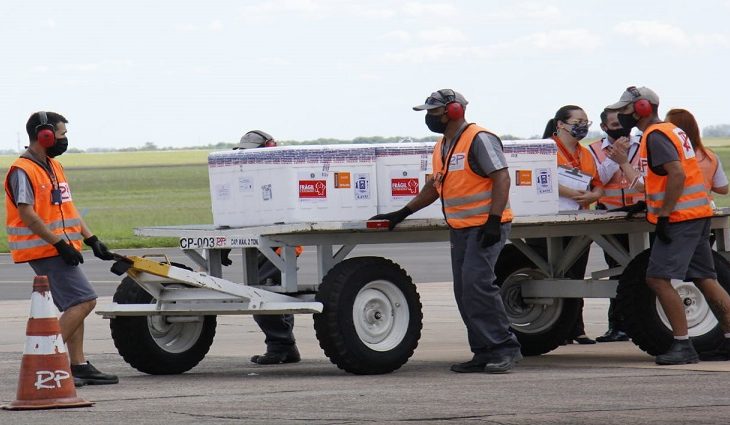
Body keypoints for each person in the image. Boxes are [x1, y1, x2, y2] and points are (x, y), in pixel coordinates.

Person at [372, 89, 522, 373]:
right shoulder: (443, 145)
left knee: (478, 286)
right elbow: (434, 187)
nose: (429, 117)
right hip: (461, 228)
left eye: (434, 112)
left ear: (453, 111)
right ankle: (483, 351)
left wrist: (493, 219)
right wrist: (402, 213)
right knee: (465, 290)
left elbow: (501, 176)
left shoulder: (479, 138)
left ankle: (503, 349)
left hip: (484, 226)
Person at [606, 86, 730, 364]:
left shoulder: (656, 135)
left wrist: (664, 213)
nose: (622, 115)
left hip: (679, 219)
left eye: (626, 109)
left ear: (641, 108)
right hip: (697, 214)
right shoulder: (673, 131)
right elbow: (666, 177)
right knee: (705, 277)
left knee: (657, 279)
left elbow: (676, 174)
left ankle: (682, 344)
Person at [4, 111, 119, 386]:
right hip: (45, 249)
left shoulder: (54, 167)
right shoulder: (23, 169)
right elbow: (27, 213)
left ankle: (77, 365)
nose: (64, 139)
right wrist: (58, 244)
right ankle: (41, 363)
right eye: (61, 134)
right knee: (84, 301)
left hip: (62, 248)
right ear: (44, 134)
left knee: (73, 304)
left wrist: (92, 239)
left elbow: (67, 207)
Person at [224, 130, 301, 365]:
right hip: (260, 243)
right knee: (270, 295)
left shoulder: (280, 176)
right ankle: (284, 347)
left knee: (265, 296)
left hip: (278, 244)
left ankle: (281, 347)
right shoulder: (253, 176)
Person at [540, 105, 603, 345]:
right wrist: (573, 193)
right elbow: (543, 178)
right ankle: (556, 329)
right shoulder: (545, 150)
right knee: (549, 275)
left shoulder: (585, 153)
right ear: (561, 124)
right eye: (578, 120)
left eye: (586, 121)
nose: (583, 126)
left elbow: (597, 184)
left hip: (579, 220)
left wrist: (593, 196)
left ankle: (577, 328)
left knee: (576, 274)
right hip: (549, 221)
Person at [587, 109, 644, 343]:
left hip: (640, 215)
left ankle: (641, 322)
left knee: (643, 271)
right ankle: (617, 325)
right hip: (610, 216)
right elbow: (595, 178)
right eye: (613, 123)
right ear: (604, 127)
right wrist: (615, 157)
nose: (620, 127)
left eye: (623, 122)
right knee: (616, 271)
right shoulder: (593, 150)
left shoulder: (643, 145)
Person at [665, 109, 729, 200]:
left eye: (666, 126)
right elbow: (723, 188)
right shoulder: (710, 156)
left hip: (676, 212)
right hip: (705, 210)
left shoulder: (666, 156)